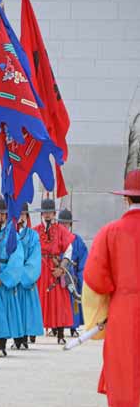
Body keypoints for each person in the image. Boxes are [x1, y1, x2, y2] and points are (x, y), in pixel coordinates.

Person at [83, 169, 140, 407]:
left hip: (123, 312)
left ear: (126, 198)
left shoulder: (110, 232)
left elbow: (95, 278)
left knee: (124, 370)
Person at [0, 198, 24, 356]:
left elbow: (17, 257)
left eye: (3, 214)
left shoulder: (11, 232)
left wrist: (6, 277)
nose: (0, 217)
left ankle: (2, 344)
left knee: (4, 311)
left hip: (4, 270)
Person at [33, 198, 75, 345]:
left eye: (50, 212)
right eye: (45, 212)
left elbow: (69, 249)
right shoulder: (35, 231)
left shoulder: (60, 230)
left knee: (59, 301)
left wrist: (62, 268)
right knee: (37, 299)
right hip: (40, 268)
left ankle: (61, 333)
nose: (47, 215)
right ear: (41, 214)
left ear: (53, 213)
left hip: (55, 268)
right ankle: (32, 333)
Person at [12, 203, 43, 349]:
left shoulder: (33, 236)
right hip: (12, 277)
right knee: (13, 309)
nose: (20, 217)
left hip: (24, 277)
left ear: (27, 216)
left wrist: (24, 275)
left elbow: (34, 259)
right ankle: (15, 339)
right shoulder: (9, 233)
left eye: (23, 214)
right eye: (18, 214)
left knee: (25, 309)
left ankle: (24, 338)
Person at [58, 208, 88, 337]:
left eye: (66, 223)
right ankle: (56, 326)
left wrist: (80, 277)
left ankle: (73, 327)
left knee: (73, 302)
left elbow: (83, 260)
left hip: (72, 277)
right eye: (61, 223)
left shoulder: (77, 240)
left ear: (70, 224)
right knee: (58, 303)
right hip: (58, 274)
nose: (64, 225)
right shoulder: (54, 238)